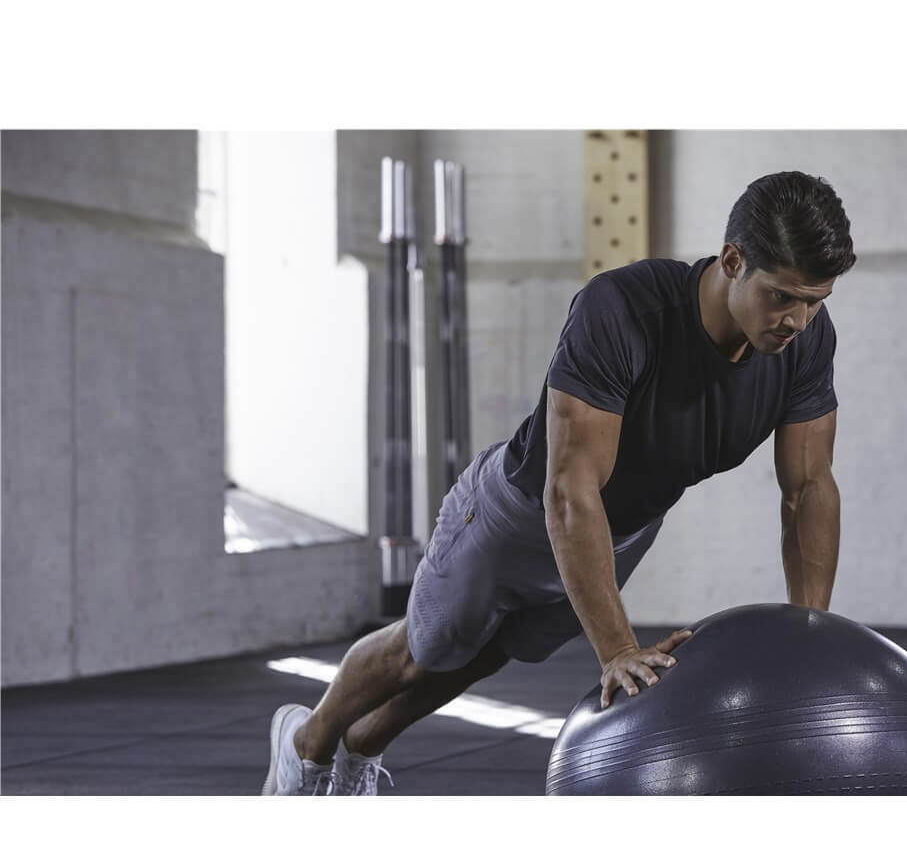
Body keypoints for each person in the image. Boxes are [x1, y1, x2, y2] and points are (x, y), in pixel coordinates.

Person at [261, 169, 856, 796]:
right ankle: (307, 743)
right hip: (516, 513)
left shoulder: (806, 344)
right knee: (424, 652)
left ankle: (361, 749)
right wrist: (617, 648)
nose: (797, 318)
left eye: (815, 301)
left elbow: (809, 486)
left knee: (488, 655)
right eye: (782, 296)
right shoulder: (624, 308)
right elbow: (570, 490)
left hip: (621, 531)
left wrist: (808, 635)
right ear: (733, 260)